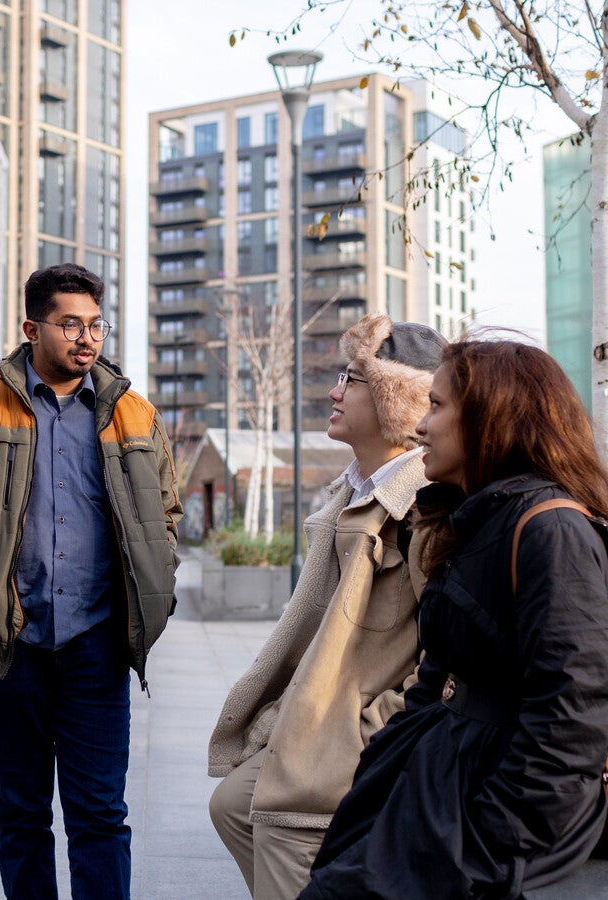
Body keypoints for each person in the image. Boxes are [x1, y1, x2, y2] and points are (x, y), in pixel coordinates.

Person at [299, 338, 608, 899]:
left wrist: (491, 841)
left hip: (485, 808)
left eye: (438, 406)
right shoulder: (474, 516)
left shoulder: (553, 532)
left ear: (495, 418)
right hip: (433, 780)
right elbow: (438, 672)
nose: (421, 425)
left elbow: (576, 712)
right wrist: (393, 758)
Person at [0, 262, 181, 899]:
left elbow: (167, 509)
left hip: (96, 646)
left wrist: (161, 577)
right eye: (70, 323)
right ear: (31, 327)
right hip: (8, 647)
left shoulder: (133, 413)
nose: (86, 337)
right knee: (19, 816)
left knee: (100, 815)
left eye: (95, 324)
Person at [205, 315, 445, 899]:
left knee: (281, 829)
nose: (334, 392)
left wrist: (370, 726)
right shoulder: (354, 490)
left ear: (397, 401)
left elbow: (450, 658)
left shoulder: (420, 505)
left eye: (353, 379)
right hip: (322, 715)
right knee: (232, 806)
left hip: (361, 734)